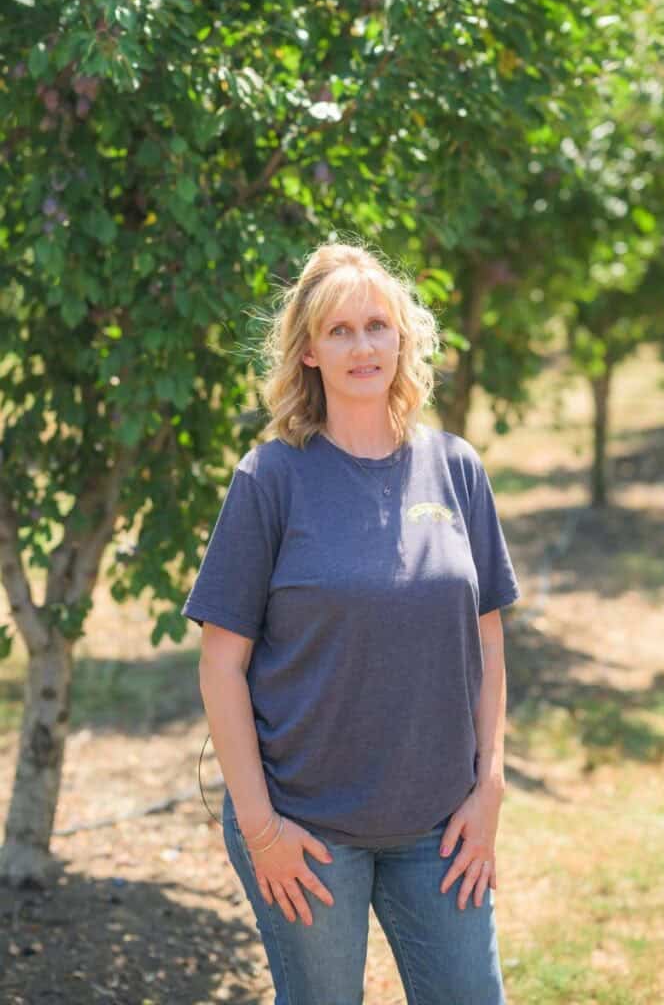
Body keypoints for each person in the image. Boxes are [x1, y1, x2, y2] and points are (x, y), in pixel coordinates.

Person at [181, 241, 521, 1004]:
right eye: (339, 331)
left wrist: (488, 785)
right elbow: (220, 666)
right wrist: (262, 829)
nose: (362, 345)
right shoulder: (270, 478)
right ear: (308, 350)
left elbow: (487, 639)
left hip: (441, 826)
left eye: (377, 325)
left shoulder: (455, 467)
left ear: (403, 338)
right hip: (307, 831)